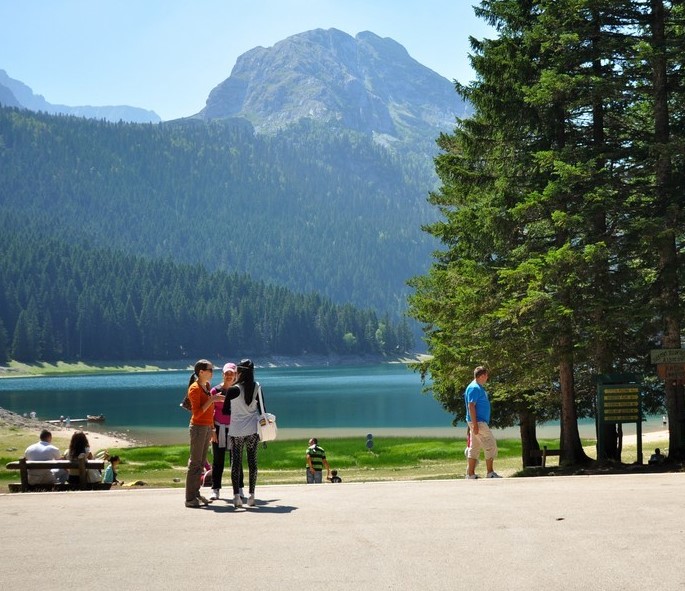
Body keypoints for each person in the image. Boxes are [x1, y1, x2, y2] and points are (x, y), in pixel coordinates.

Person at [222, 358, 264, 507]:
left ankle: (236, 497)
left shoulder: (233, 389)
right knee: (253, 462)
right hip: (253, 430)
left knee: (236, 463)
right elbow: (262, 410)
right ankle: (252, 495)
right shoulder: (257, 387)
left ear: (238, 372)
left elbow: (225, 411)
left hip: (236, 431)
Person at [185, 359, 225, 508]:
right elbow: (197, 413)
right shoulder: (194, 389)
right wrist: (213, 399)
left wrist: (212, 428)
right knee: (195, 464)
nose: (212, 373)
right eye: (210, 370)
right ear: (201, 372)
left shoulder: (206, 385)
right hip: (197, 428)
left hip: (207, 428)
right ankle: (189, 498)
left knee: (201, 463)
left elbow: (209, 411)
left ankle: (196, 493)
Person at [208, 362, 244, 501]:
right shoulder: (215, 391)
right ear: (223, 374)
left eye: (232, 373)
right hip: (218, 427)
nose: (229, 376)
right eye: (227, 373)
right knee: (218, 460)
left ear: (236, 375)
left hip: (235, 428)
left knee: (236, 460)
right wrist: (212, 430)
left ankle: (239, 488)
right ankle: (215, 489)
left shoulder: (239, 391)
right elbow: (210, 411)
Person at [464, 366, 500, 479]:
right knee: (490, 445)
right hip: (479, 422)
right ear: (482, 376)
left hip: (477, 422)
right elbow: (471, 406)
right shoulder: (474, 388)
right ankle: (490, 473)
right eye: (486, 375)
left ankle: (471, 474)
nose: (487, 378)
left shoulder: (478, 387)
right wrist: (474, 425)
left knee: (474, 447)